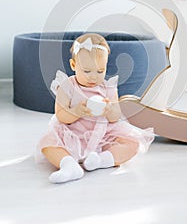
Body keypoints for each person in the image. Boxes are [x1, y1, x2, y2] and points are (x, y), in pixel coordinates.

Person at [36, 33, 154, 183]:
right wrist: (76, 111)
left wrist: (109, 110)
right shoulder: (67, 85)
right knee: (48, 143)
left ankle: (101, 160)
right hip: (72, 134)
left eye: (100, 71)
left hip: (102, 135)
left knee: (133, 144)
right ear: (73, 65)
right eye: (87, 71)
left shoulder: (108, 87)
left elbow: (115, 117)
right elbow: (60, 116)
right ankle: (69, 165)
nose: (93, 77)